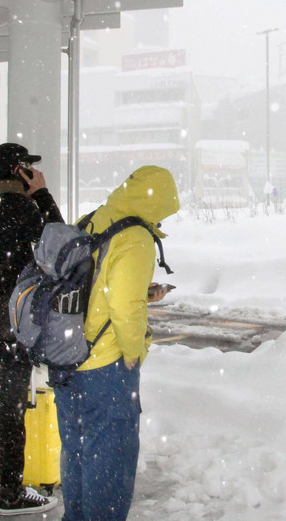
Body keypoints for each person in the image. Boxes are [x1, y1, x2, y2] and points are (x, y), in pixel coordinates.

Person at [52, 165, 180, 521]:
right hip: (105, 364)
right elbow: (125, 305)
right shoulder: (135, 236)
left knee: (77, 450)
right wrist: (132, 353)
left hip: (68, 355)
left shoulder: (91, 219)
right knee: (110, 459)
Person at [0, 143, 63, 516]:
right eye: (28, 167)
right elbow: (60, 244)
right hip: (11, 326)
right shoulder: (20, 207)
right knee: (11, 411)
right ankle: (12, 494)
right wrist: (44, 195)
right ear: (19, 170)